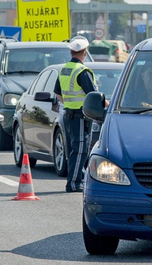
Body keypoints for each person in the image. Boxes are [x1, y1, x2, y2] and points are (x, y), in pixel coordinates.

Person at [54, 35, 101, 193]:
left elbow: (58, 94)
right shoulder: (82, 71)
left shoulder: (64, 69)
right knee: (81, 149)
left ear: (71, 52)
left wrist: (69, 103)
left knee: (75, 149)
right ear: (85, 52)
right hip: (81, 116)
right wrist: (107, 105)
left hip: (68, 114)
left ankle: (78, 179)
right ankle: (74, 183)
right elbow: (93, 95)